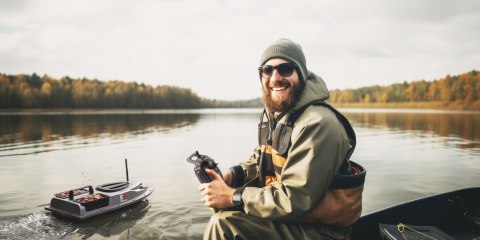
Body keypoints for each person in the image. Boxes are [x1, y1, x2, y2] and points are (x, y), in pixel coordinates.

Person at [198, 38, 365, 240]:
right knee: (223, 211)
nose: (275, 78)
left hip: (321, 231)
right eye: (267, 70)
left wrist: (231, 196)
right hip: (294, 219)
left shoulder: (318, 123)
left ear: (301, 74)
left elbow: (295, 199)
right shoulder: (279, 115)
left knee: (223, 224)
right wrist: (233, 176)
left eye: (285, 69)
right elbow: (261, 159)